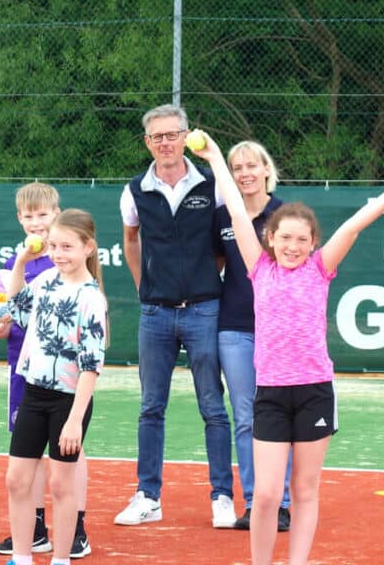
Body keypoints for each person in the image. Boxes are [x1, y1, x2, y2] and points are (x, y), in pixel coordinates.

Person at [191, 135, 384, 565]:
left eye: (301, 240)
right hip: (271, 394)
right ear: (269, 238)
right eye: (285, 238)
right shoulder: (258, 268)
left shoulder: (320, 269)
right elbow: (237, 209)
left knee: (306, 489)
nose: (292, 247)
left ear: (312, 244)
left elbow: (355, 224)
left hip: (314, 391)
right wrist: (215, 156)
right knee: (268, 493)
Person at [114, 104, 236, 529]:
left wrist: (203, 280)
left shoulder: (212, 184)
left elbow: (223, 246)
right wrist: (143, 286)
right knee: (151, 407)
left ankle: (222, 496)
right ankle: (148, 496)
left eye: (173, 134)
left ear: (186, 136)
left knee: (213, 407)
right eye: (157, 136)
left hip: (205, 309)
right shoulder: (134, 190)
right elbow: (132, 240)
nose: (165, 142)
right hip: (155, 314)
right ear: (147, 142)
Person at [0, 183, 91, 558]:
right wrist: (2, 324)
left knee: (68, 454)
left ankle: (75, 528)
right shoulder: (20, 261)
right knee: (25, 455)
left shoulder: (67, 259)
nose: (36, 223)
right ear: (19, 219)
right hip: (23, 370)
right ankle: (33, 530)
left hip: (63, 376)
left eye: (43, 214)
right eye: (28, 216)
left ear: (57, 213)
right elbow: (18, 314)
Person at [2, 209, 107, 565]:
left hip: (68, 402)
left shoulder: (91, 298)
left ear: (88, 248)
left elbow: (91, 366)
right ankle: (22, 556)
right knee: (16, 479)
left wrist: (76, 419)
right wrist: (20, 262)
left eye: (67, 247)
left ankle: (60, 558)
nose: (58, 253)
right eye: (54, 246)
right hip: (33, 394)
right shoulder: (46, 278)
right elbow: (17, 307)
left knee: (62, 485)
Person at [213, 141, 291, 532]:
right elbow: (217, 265)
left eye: (250, 166)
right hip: (234, 328)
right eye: (235, 167)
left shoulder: (286, 215)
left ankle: (283, 503)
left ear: (265, 169)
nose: (244, 173)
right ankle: (256, 502)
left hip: (277, 332)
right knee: (245, 417)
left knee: (277, 415)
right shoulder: (221, 216)